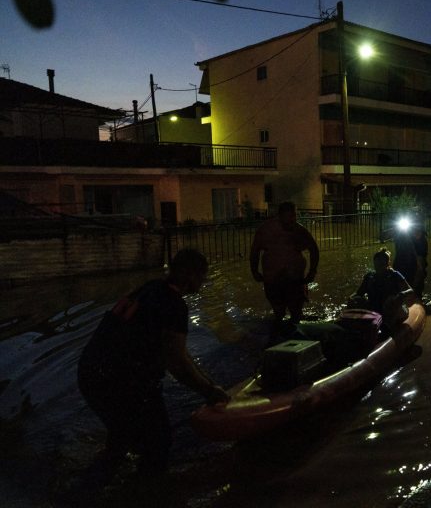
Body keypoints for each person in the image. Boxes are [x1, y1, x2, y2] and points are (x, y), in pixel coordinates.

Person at [77, 248, 230, 484]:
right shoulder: (174, 304)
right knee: (158, 443)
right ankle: (146, 493)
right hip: (122, 379)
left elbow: (175, 351)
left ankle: (95, 486)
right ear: (189, 275)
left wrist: (207, 381)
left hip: (90, 371)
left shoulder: (149, 288)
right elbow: (176, 362)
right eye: (202, 275)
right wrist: (208, 391)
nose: (204, 281)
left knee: (120, 435)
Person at [250, 201, 320, 325]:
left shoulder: (298, 230)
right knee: (279, 311)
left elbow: (314, 249)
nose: (292, 220)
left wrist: (312, 271)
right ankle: (280, 333)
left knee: (296, 311)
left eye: (294, 216)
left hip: (294, 278)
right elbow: (254, 251)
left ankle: (293, 332)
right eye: (289, 216)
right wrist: (254, 271)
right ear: (280, 215)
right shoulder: (266, 230)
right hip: (274, 278)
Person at [350, 247, 414, 331]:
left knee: (390, 301)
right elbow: (359, 293)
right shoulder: (369, 277)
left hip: (392, 309)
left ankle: (388, 327)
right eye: (377, 264)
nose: (379, 267)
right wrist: (351, 298)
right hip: (375, 310)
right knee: (357, 300)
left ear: (387, 263)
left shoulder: (395, 275)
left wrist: (401, 295)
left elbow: (410, 291)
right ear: (374, 263)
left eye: (382, 264)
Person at [392, 221, 428, 297]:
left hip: (413, 271)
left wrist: (415, 284)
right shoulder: (403, 238)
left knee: (416, 294)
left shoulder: (421, 241)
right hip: (402, 269)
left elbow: (420, 264)